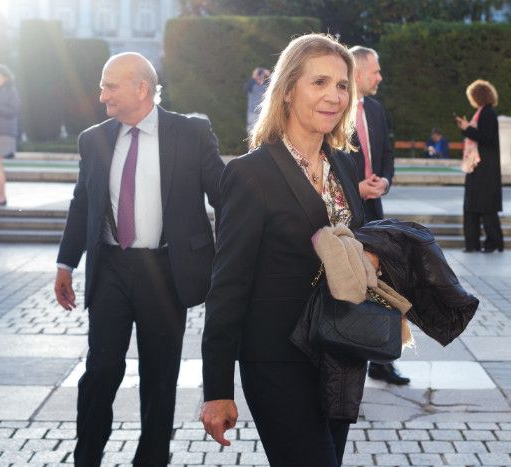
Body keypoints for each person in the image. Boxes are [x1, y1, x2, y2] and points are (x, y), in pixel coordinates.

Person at [200, 34, 368, 467]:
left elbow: (364, 241)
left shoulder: (346, 165)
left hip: (342, 355)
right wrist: (217, 389)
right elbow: (227, 286)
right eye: (320, 82)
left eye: (343, 84)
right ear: (288, 90)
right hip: (276, 359)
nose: (334, 95)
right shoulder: (250, 174)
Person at [54, 52, 224, 467]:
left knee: (160, 377)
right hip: (110, 267)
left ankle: (151, 460)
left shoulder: (191, 133)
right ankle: (87, 457)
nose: (102, 95)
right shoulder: (92, 139)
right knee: (101, 371)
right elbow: (83, 204)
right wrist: (65, 263)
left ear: (141, 89)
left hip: (166, 273)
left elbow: (226, 197)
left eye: (110, 86)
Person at [348, 45, 409, 386]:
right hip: (343, 211)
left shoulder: (375, 108)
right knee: (349, 285)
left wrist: (384, 179)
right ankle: (345, 355)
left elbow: (385, 152)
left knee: (382, 286)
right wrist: (354, 187)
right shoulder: (334, 108)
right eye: (375, 71)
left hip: (374, 208)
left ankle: (382, 363)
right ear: (358, 73)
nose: (380, 77)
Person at [456, 79, 504, 253]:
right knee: (475, 206)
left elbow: (485, 138)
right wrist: (467, 128)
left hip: (484, 168)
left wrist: (467, 129)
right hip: (479, 167)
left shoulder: (487, 114)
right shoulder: (483, 113)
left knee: (484, 206)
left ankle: (490, 243)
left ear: (477, 96)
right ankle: (475, 243)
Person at [0, 64, 19, 206]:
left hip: (4, 133)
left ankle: (2, 196)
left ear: (5, 77)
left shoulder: (11, 91)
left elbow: (14, 110)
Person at [245, 67, 269, 133]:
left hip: (262, 114)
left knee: (262, 133)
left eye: (262, 77)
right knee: (251, 133)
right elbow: (246, 87)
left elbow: (273, 83)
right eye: (259, 77)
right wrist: (254, 76)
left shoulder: (265, 87)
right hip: (252, 113)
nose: (260, 79)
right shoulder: (252, 86)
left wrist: (267, 74)